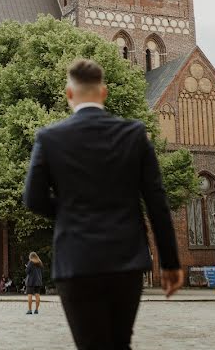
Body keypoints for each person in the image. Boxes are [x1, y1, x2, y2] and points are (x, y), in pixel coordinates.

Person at [23, 58, 183, 350]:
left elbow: (32, 199)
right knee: (120, 343)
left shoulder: (49, 138)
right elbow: (156, 201)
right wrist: (170, 263)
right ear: (104, 93)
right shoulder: (134, 134)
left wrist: (71, 212)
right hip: (126, 260)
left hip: (76, 260)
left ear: (69, 94)